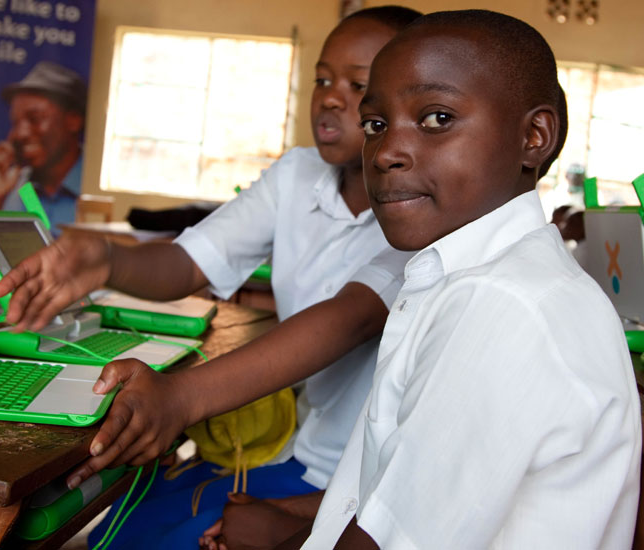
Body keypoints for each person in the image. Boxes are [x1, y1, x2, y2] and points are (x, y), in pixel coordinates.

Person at [200, 10, 639, 549]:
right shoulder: (463, 279)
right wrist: (285, 522)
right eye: (376, 125)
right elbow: (397, 493)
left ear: (534, 136)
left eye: (436, 118)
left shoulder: (503, 307)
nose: (385, 153)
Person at [0, 6, 421, 548]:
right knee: (129, 508)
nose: (331, 96)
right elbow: (189, 262)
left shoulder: (420, 212)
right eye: (322, 78)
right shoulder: (297, 174)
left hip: (350, 476)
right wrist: (104, 259)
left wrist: (178, 398)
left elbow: (347, 320)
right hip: (293, 445)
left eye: (358, 84)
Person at [0, 60, 86, 226]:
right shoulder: (19, 189)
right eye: (15, 123)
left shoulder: (94, 187)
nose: (20, 134)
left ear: (73, 121)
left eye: (35, 119)